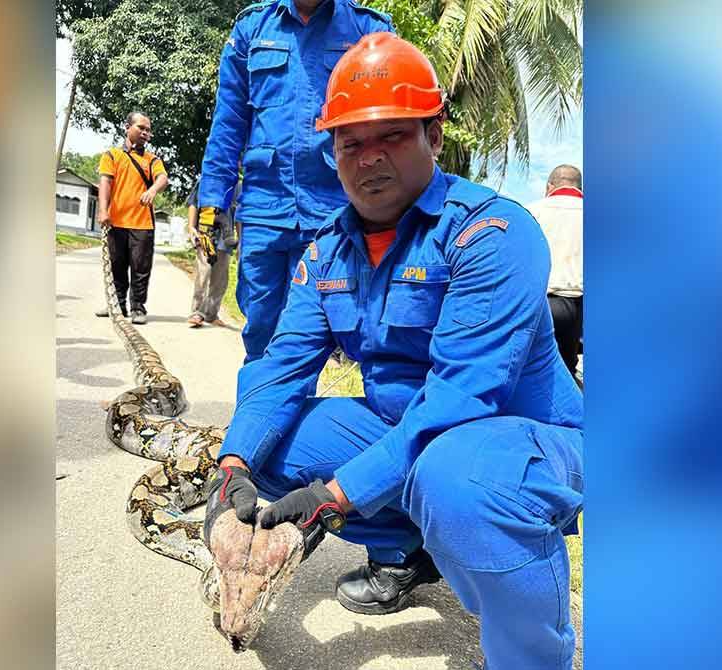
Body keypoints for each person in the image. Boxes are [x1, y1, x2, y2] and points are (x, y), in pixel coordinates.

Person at [203, 34, 584, 670]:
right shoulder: (328, 251)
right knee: (279, 438)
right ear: (332, 152)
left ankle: (529, 653)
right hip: (413, 441)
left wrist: (338, 494)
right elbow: (280, 367)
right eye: (352, 141)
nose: (369, 158)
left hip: (519, 444)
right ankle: (415, 551)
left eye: (393, 136)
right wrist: (230, 468)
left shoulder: (492, 233)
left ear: (434, 138)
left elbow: (462, 400)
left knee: (457, 477)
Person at [196, 0, 394, 362]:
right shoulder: (251, 29)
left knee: (317, 334)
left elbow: (389, 123)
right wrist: (213, 202)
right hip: (263, 209)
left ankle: (303, 417)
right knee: (261, 329)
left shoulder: (370, 31)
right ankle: (258, 415)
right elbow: (227, 125)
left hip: (335, 211)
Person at [94, 112, 169, 325]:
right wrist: (103, 210)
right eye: (141, 128)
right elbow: (105, 183)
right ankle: (117, 305)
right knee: (117, 266)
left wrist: (153, 190)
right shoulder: (112, 156)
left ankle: (138, 307)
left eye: (148, 130)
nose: (145, 133)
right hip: (116, 222)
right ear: (127, 127)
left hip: (143, 224)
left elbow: (163, 178)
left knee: (140, 268)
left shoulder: (152, 160)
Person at [527, 165, 583, 376]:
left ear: (549, 186)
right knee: (567, 373)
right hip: (581, 307)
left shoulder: (532, 210)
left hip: (540, 303)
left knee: (534, 373)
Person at [186, 176, 241, 327]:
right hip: (205, 234)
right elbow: (193, 203)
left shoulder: (236, 184)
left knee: (220, 279)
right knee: (203, 273)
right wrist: (191, 227)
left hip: (225, 238)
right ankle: (197, 312)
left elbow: (238, 214)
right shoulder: (206, 179)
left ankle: (211, 314)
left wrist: (240, 239)